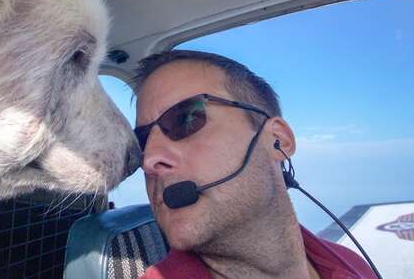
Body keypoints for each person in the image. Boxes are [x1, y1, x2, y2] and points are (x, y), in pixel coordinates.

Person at [132, 50, 377, 279]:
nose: (148, 160)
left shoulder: (351, 264)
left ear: (277, 140)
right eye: (141, 140)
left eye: (185, 119)